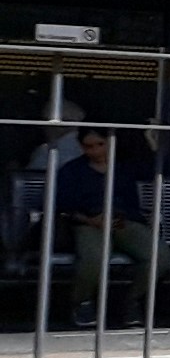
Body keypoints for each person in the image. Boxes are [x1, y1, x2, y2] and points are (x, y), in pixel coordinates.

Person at [49, 125, 149, 327]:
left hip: (120, 221)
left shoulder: (122, 169)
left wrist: (119, 220)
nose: (94, 151)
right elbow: (62, 206)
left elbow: (133, 203)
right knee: (94, 256)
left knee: (157, 255)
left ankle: (132, 300)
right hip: (86, 222)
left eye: (100, 144)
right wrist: (89, 220)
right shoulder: (72, 171)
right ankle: (82, 301)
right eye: (88, 146)